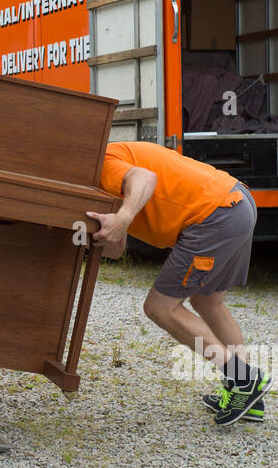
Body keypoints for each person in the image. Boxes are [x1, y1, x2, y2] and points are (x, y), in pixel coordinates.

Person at [87, 141, 268, 425]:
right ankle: (247, 395)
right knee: (207, 301)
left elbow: (145, 178)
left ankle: (243, 378)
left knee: (160, 307)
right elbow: (116, 248)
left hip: (215, 214)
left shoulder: (104, 158)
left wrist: (123, 216)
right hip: (236, 203)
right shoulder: (108, 169)